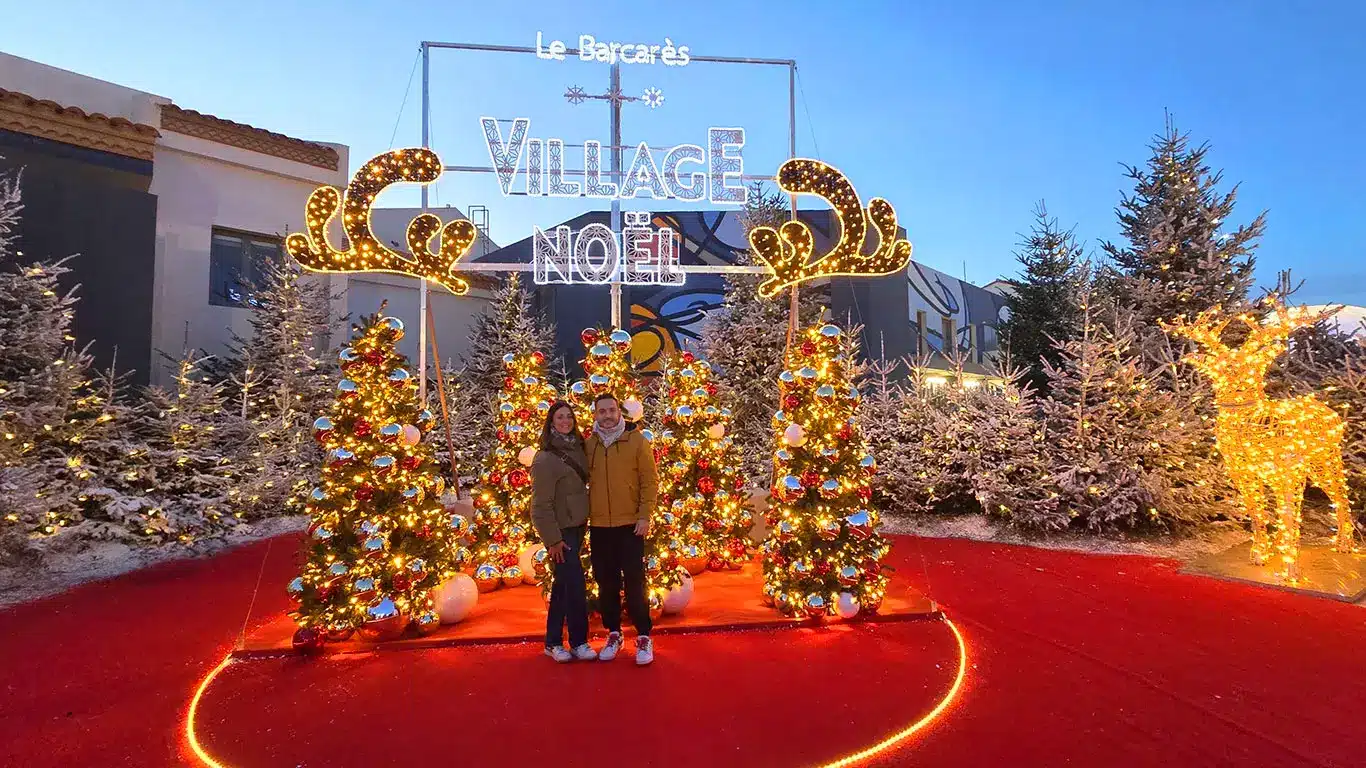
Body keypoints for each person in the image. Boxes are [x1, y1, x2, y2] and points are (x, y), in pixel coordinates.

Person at [584, 393, 658, 665]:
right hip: (600, 525)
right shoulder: (588, 445)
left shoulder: (636, 441)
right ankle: (614, 633)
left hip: (631, 525)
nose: (607, 415)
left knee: (635, 584)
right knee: (606, 584)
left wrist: (644, 515)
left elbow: (649, 481)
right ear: (595, 414)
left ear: (619, 412)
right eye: (601, 411)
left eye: (611, 410)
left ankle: (643, 636)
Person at [529, 401, 597, 663]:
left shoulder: (579, 449)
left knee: (562, 586)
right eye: (560, 417)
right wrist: (553, 540)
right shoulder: (545, 458)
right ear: (551, 421)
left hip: (578, 527)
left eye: (569, 416)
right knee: (575, 585)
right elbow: (540, 505)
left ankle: (553, 641)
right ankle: (579, 641)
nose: (566, 421)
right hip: (561, 533)